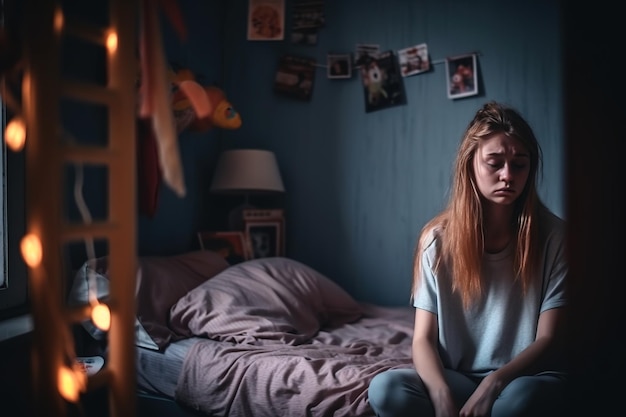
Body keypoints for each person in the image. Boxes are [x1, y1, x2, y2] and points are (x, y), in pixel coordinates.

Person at [368, 101, 569, 417]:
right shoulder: (436, 239)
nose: (507, 175)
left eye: (520, 164)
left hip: (523, 379)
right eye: (495, 163)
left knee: (522, 402)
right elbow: (422, 340)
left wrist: (493, 384)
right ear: (470, 163)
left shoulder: (555, 237)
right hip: (459, 378)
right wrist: (441, 395)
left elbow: (549, 338)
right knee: (386, 390)